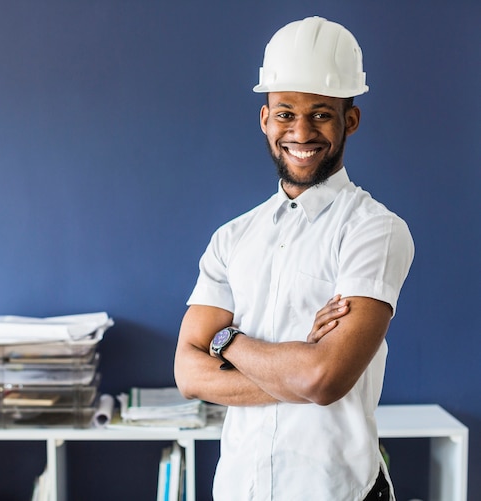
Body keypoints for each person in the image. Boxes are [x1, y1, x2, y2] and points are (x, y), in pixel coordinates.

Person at [174, 16, 414, 501]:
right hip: (240, 489)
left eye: (321, 113)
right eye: (285, 113)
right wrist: (298, 365)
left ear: (350, 120)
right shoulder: (232, 238)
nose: (300, 131)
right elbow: (187, 373)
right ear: (265, 120)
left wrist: (226, 339)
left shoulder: (374, 230)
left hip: (337, 491)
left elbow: (324, 378)